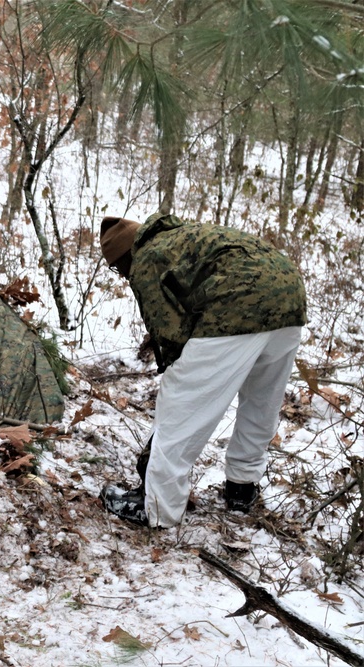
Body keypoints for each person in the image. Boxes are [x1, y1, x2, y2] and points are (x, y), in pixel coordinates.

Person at [98, 212, 307, 528]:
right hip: (290, 300)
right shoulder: (181, 237)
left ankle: (156, 506)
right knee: (261, 401)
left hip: (238, 305)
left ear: (126, 257)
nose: (124, 276)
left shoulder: (147, 259)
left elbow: (168, 335)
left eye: (118, 269)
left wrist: (174, 371)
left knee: (179, 398)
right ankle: (242, 488)